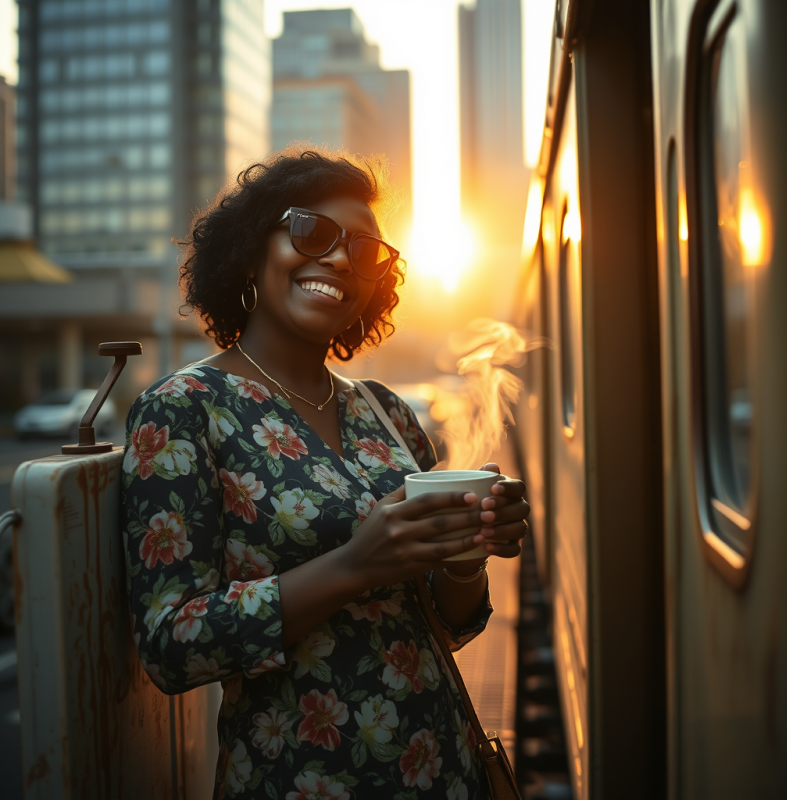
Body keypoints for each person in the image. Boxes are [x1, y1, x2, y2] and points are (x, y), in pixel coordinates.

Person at [122, 146, 529, 799]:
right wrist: (354, 566)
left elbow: (447, 627)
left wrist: (465, 553)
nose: (339, 259)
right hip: (299, 782)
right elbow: (170, 646)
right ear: (252, 250)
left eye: (365, 252)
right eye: (311, 232)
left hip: (446, 772)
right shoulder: (182, 410)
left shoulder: (386, 411)